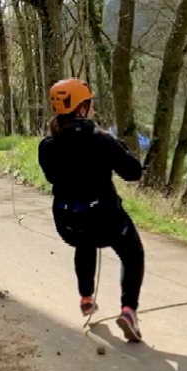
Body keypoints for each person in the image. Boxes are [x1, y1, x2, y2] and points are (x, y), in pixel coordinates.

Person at [38, 78, 146, 342]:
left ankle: (86, 298)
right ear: (81, 108)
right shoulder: (102, 141)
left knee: (84, 243)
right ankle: (129, 310)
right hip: (105, 221)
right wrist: (117, 146)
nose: (93, 108)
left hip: (68, 224)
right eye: (90, 104)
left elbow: (54, 177)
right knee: (133, 254)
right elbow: (133, 173)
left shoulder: (47, 146)